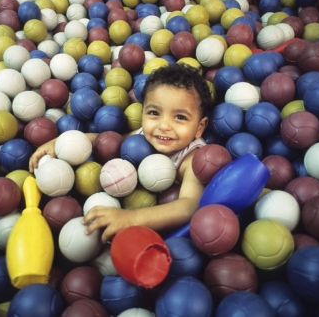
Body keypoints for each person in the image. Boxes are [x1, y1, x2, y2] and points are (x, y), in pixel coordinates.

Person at [29, 64, 214, 243]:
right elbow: (109, 140)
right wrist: (61, 142)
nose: (164, 126)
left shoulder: (194, 158)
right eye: (154, 113)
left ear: (199, 127)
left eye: (180, 117)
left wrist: (131, 218)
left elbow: (188, 206)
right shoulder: (142, 137)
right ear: (142, 114)